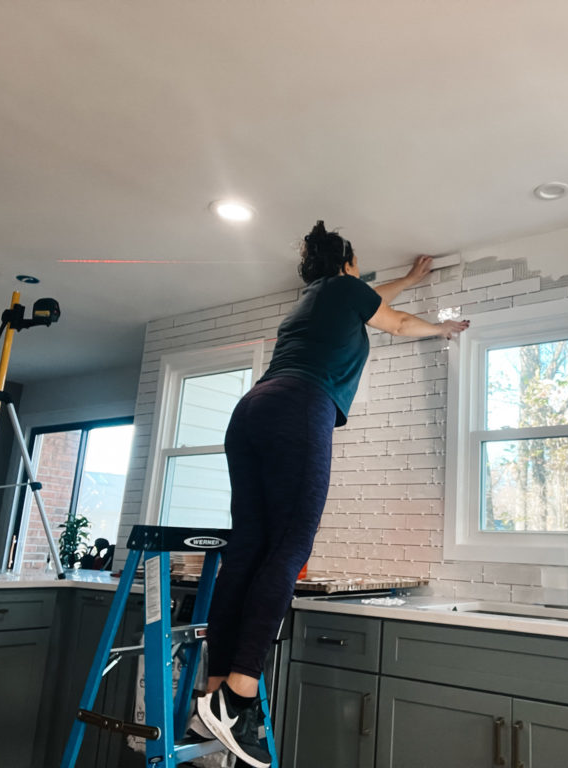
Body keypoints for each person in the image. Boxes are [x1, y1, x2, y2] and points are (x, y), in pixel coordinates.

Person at [197, 220, 469, 766]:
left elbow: (373, 299)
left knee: (247, 548)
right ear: (347, 264)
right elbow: (392, 321)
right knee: (291, 547)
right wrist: (441, 330)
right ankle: (241, 691)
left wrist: (409, 277)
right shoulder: (346, 293)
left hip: (251, 410)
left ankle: (213, 688)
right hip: (300, 406)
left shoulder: (314, 301)